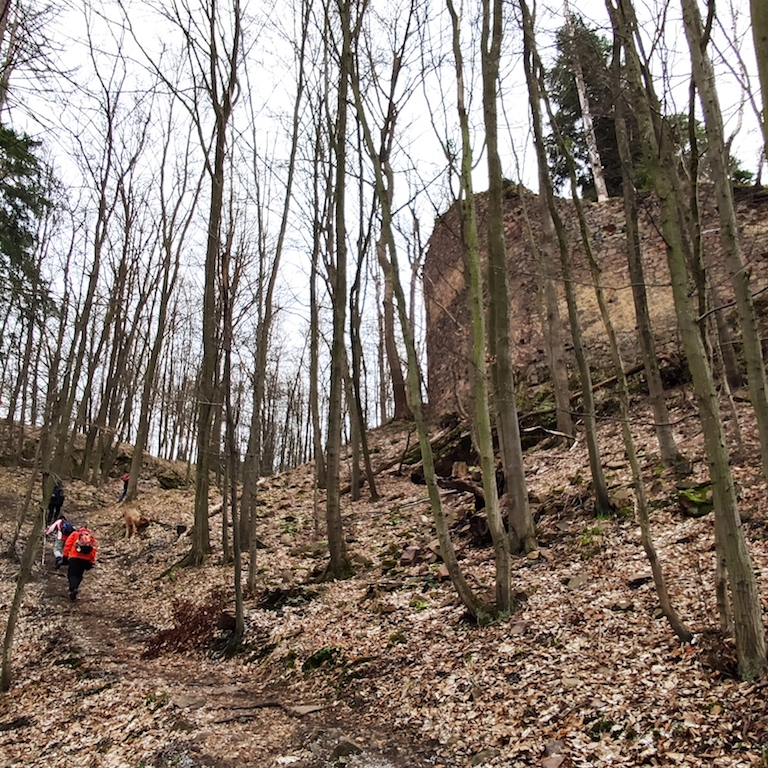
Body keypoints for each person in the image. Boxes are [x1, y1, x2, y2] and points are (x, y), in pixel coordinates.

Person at [62, 527, 97, 601]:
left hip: (74, 557)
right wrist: (91, 561)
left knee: (72, 574)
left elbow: (67, 544)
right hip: (85, 560)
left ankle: (73, 588)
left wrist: (65, 556)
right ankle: (75, 588)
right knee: (79, 575)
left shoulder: (75, 534)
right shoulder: (91, 537)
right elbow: (93, 550)